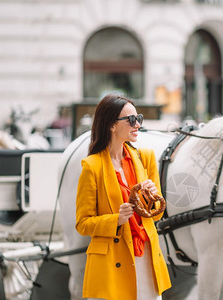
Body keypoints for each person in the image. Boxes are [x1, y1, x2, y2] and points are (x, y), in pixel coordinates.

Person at [75, 94, 171, 299]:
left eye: (139, 119)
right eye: (131, 120)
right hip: (111, 263)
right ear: (111, 125)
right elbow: (83, 224)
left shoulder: (146, 158)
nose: (137, 125)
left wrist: (152, 198)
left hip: (146, 257)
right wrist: (116, 219)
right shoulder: (91, 167)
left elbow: (155, 216)